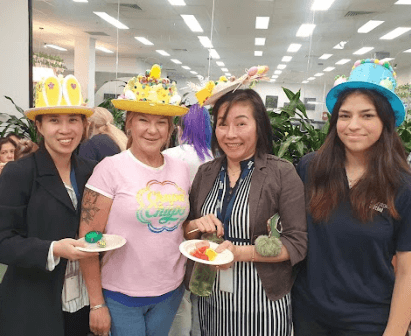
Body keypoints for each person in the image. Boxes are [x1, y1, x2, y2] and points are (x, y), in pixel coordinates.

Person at [292, 59, 411, 335]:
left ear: (386, 120)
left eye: (367, 115)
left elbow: (406, 273)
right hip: (308, 314)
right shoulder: (311, 168)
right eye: (345, 116)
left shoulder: (402, 186)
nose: (353, 125)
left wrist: (394, 331)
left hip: (367, 319)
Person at [184, 89, 307, 336]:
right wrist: (196, 224)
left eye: (241, 123)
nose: (231, 134)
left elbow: (296, 244)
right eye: (222, 124)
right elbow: (188, 230)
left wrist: (239, 253)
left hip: (263, 302)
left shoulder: (281, 173)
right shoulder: (205, 173)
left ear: (259, 126)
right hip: (213, 298)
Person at [79, 67, 191, 336]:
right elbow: (87, 239)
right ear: (128, 122)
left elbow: (181, 226)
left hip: (169, 290)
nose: (152, 130)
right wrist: (96, 304)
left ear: (170, 129)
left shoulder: (181, 169)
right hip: (121, 295)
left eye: (161, 122)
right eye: (143, 120)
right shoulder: (109, 168)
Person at [0, 77, 98, 336]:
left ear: (84, 125)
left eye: (73, 120)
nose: (65, 129)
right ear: (39, 126)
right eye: (54, 120)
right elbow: (3, 241)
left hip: (82, 300)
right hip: (34, 304)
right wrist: (53, 249)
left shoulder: (90, 172)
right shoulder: (19, 173)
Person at [164, 104, 214, 336]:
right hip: (209, 230)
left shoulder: (170, 156)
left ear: (180, 126)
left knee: (180, 296)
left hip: (176, 229)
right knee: (200, 291)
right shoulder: (216, 157)